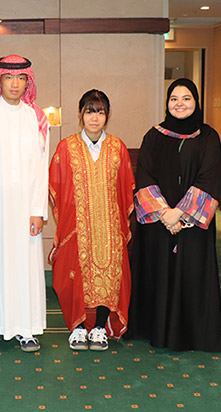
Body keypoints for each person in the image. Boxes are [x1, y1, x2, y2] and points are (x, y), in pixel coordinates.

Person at [127, 78, 221, 352]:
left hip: (191, 226)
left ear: (196, 102)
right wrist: (164, 214)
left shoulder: (208, 137)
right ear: (167, 103)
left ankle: (190, 334)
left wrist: (180, 214)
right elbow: (144, 176)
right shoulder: (153, 136)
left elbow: (210, 177)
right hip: (158, 224)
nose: (179, 104)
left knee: (190, 275)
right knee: (157, 273)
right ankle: (154, 330)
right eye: (174, 99)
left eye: (186, 98)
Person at [0, 55, 49, 352]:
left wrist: (38, 210)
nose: (15, 84)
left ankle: (26, 329)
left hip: (26, 210)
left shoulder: (37, 120)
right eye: (9, 78)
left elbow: (42, 170)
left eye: (21, 78)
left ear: (28, 82)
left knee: (25, 268)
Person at [49, 90, 135, 351]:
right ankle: (77, 328)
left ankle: (99, 328)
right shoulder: (66, 147)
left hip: (109, 227)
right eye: (89, 111)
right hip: (76, 226)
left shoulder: (118, 148)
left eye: (100, 112)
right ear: (80, 114)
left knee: (108, 275)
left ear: (107, 116)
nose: (94, 118)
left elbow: (125, 188)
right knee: (75, 275)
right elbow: (57, 186)